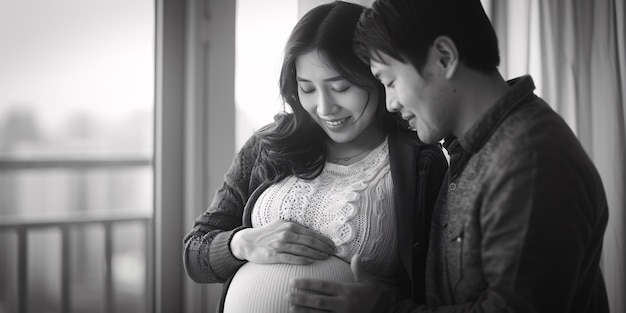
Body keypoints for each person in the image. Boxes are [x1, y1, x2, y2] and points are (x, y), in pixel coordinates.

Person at [287, 0, 611, 312]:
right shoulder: (471, 151)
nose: (391, 103)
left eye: (390, 81)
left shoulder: (531, 161)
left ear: (444, 57)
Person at [182, 2, 447, 312]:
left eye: (341, 87)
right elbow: (193, 254)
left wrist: (386, 298)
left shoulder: (420, 162)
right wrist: (242, 243)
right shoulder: (268, 146)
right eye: (307, 89)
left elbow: (436, 288)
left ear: (376, 76)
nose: (324, 107)